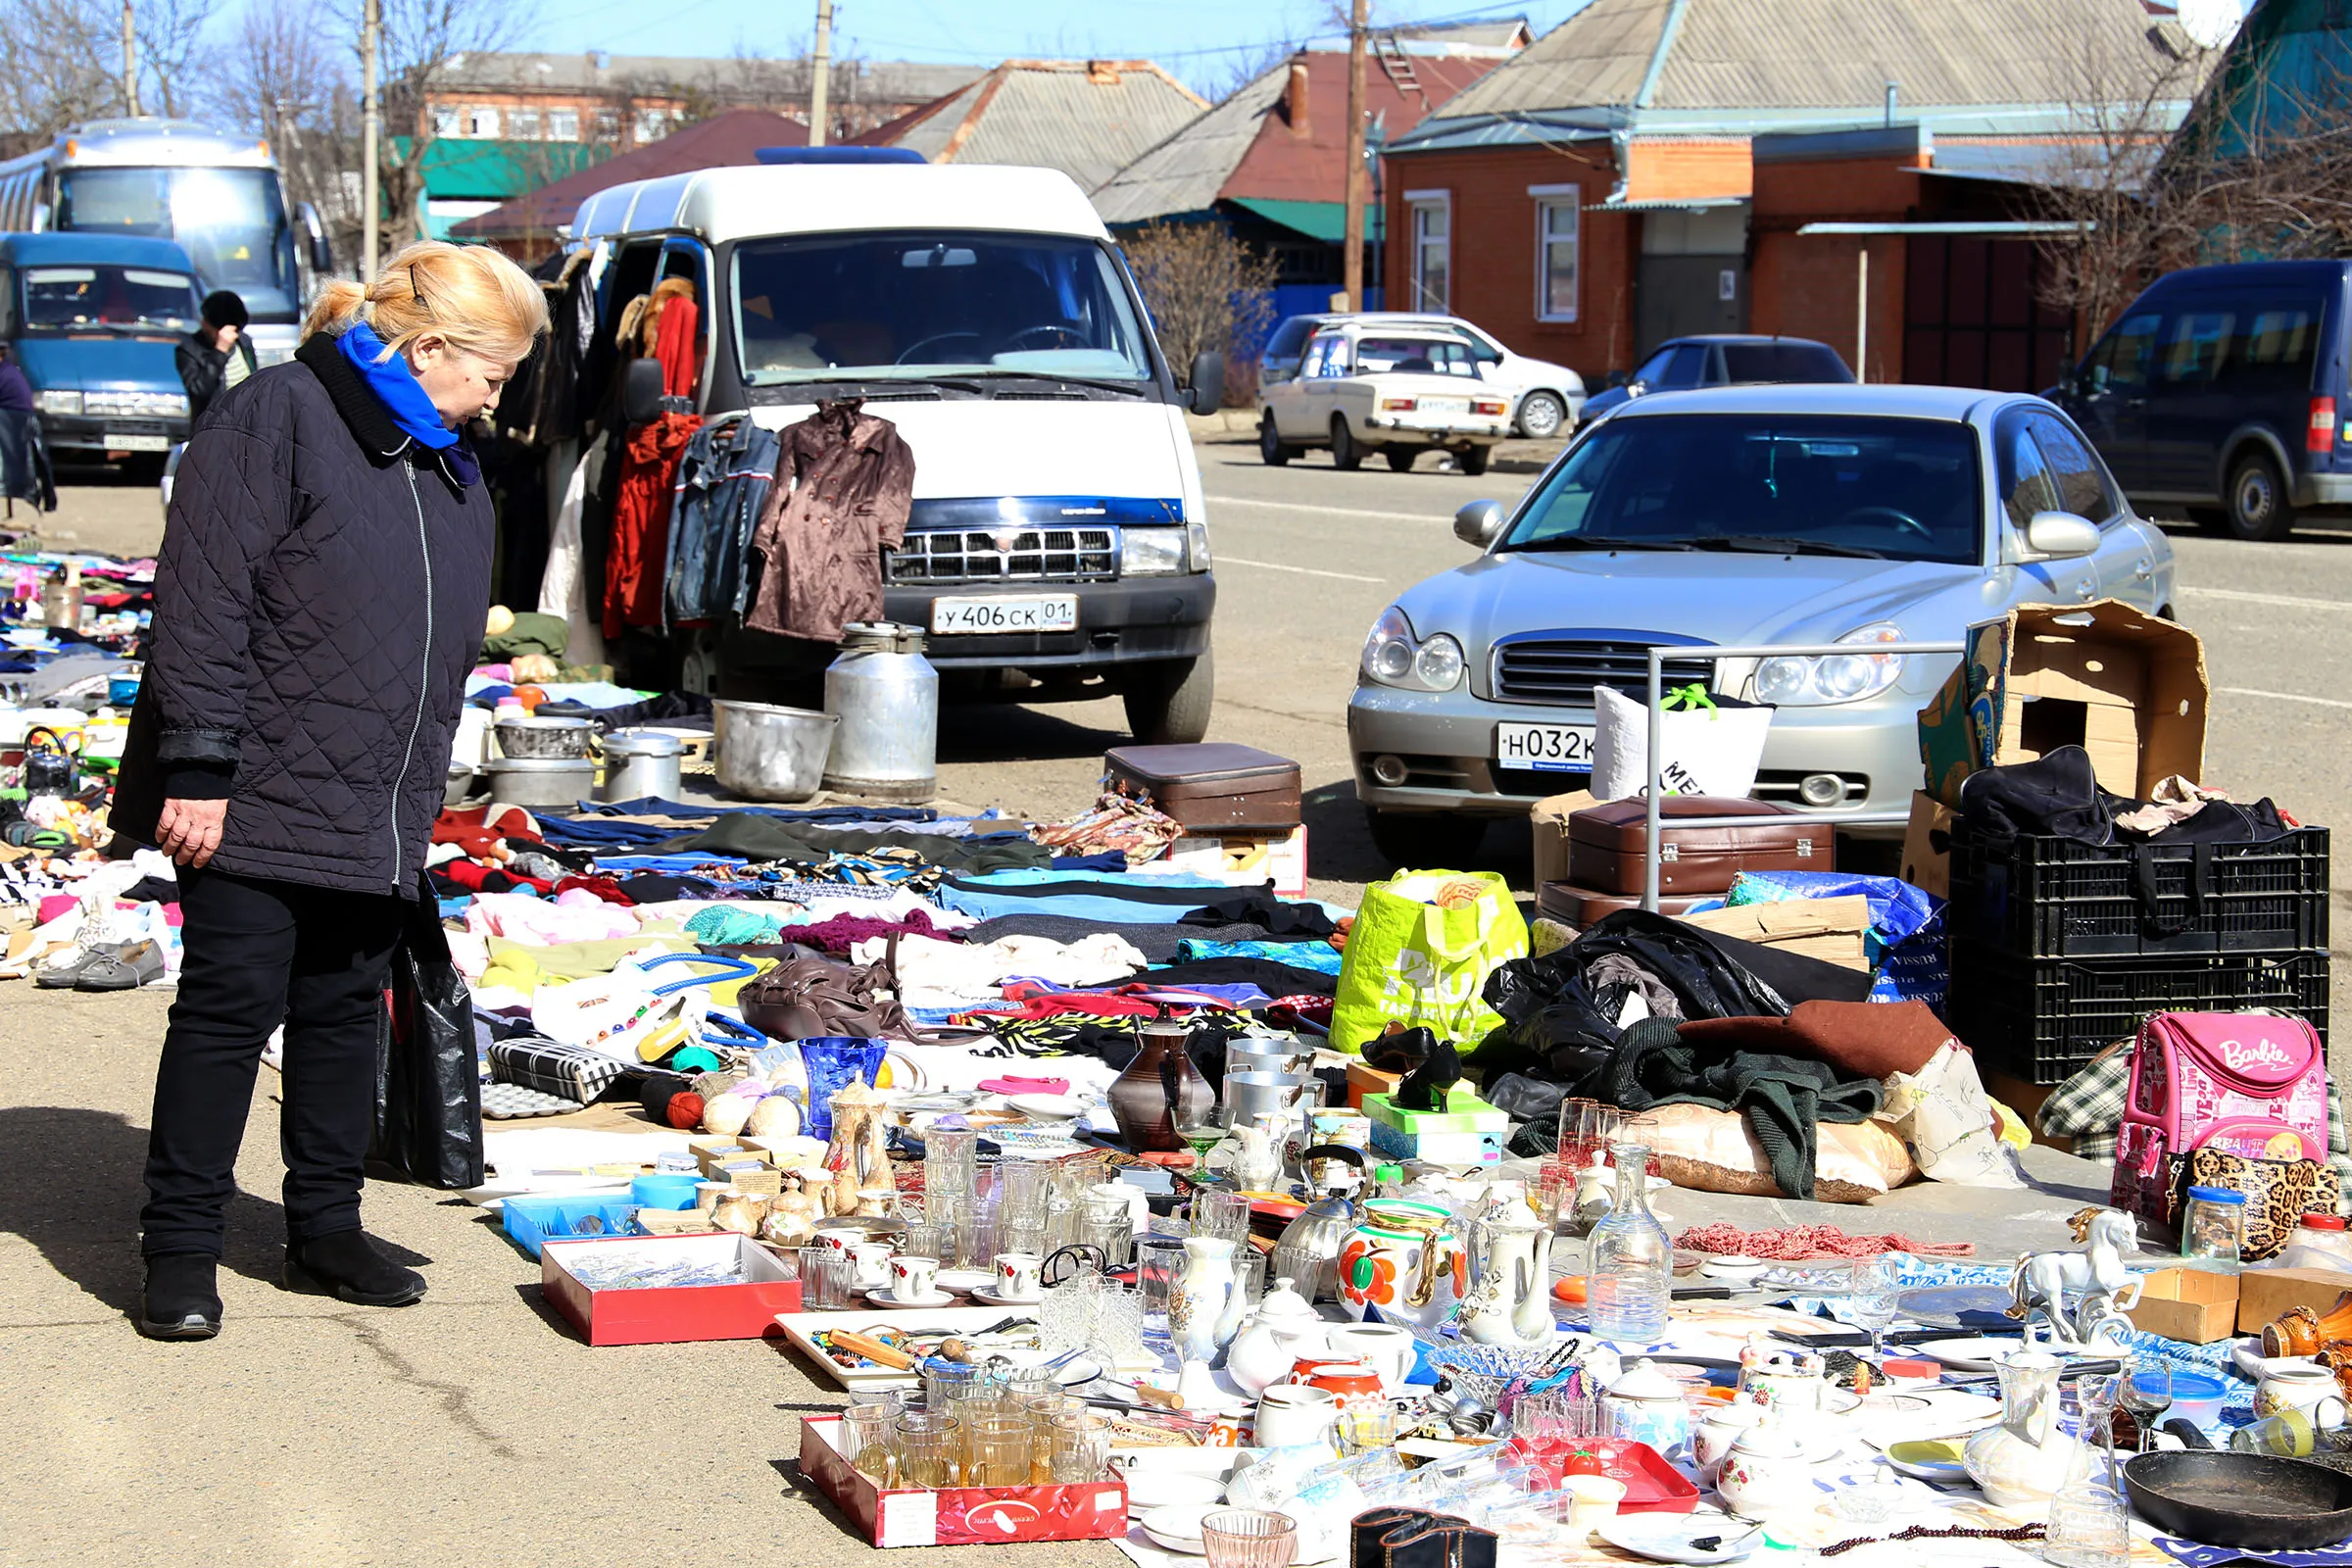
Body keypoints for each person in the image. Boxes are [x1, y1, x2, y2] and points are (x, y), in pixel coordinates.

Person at [111, 241, 548, 1340]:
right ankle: (180, 1249)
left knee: (345, 1012)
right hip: (254, 788)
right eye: (493, 373)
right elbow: (202, 604)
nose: (498, 399)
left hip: (375, 794)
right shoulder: (279, 415)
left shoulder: (447, 461)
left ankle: (323, 1226)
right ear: (432, 344)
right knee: (224, 1017)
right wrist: (200, 769)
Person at [174, 289, 259, 425]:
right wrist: (219, 352)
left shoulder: (244, 343)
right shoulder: (189, 350)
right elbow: (199, 391)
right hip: (212, 426)